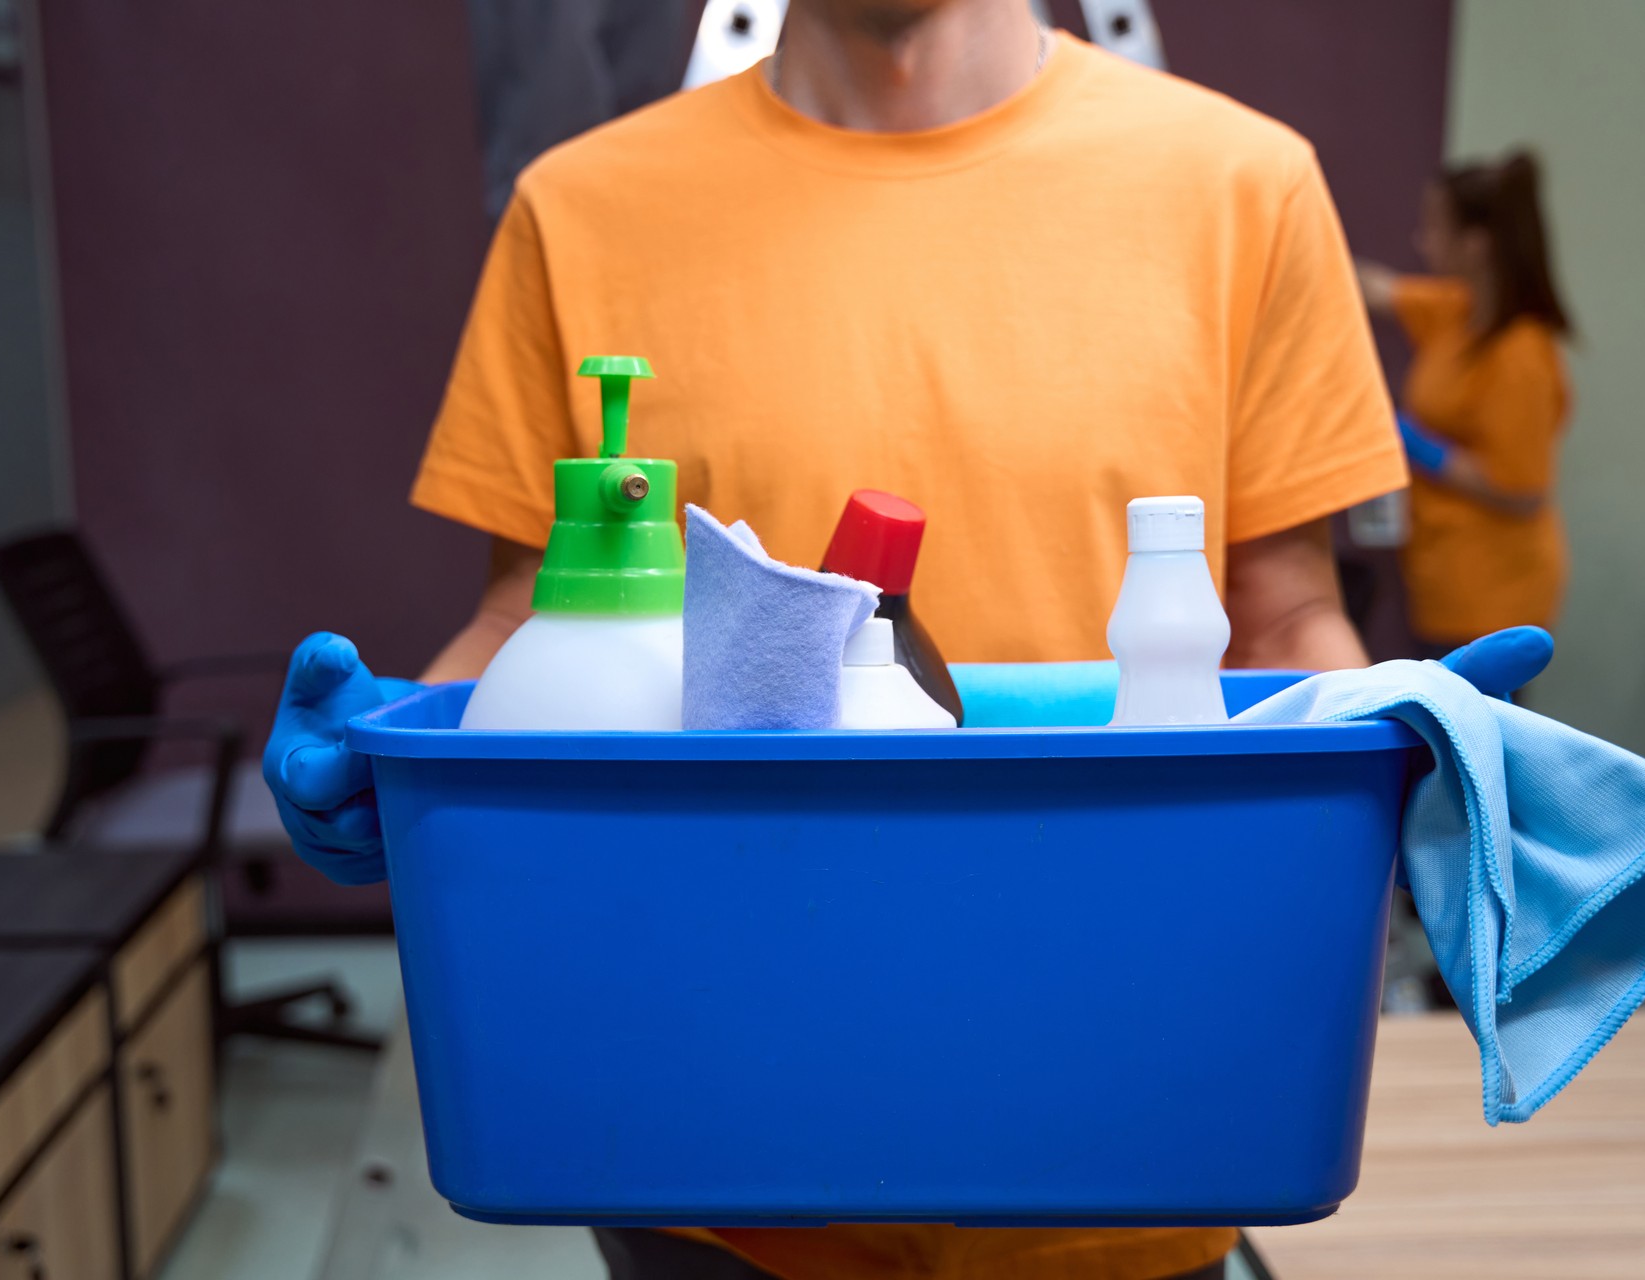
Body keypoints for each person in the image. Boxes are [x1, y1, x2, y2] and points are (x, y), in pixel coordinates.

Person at [268, 2, 1429, 1277]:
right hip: (719, 1138)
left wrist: (1413, 739)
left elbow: (1281, 616)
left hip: (1123, 1118)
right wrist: (412, 751)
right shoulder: (583, 209)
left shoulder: (1241, 188)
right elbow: (527, 617)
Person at [1358, 151, 1574, 658]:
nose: (1421, 241)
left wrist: (1418, 445)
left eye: (1435, 227)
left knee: (1474, 731)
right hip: (1443, 573)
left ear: (1476, 243)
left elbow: (1521, 490)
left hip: (1493, 591)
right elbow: (1377, 289)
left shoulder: (1521, 354)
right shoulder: (1457, 312)